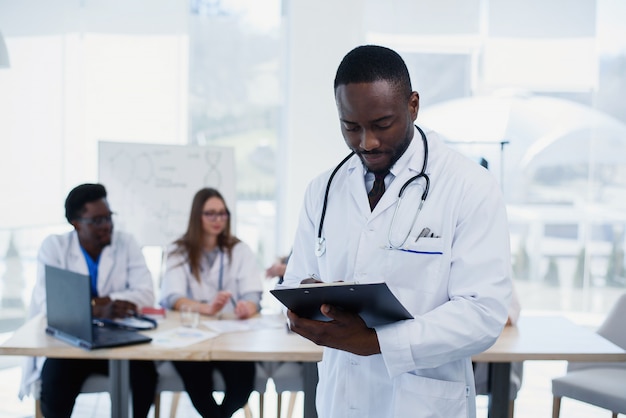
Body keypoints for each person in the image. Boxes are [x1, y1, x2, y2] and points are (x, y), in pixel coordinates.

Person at [280, 45, 513, 417]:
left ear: (413, 105)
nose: (366, 142)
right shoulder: (324, 190)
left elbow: (482, 314)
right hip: (341, 401)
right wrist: (310, 307)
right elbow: (297, 280)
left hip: (423, 403)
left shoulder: (469, 186)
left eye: (382, 124)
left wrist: (377, 341)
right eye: (351, 127)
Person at [19, 183, 157, 418]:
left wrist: (97, 304)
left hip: (121, 338)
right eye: (97, 221)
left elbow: (146, 294)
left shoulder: (126, 243)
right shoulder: (55, 247)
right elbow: (50, 303)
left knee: (145, 376)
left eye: (108, 218)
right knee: (54, 384)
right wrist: (101, 307)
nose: (107, 226)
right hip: (70, 343)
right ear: (76, 223)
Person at [159, 187, 263, 418]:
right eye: (210, 213)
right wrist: (204, 308)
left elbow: (254, 295)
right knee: (197, 382)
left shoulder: (239, 250)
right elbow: (172, 296)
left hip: (231, 336)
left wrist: (248, 307)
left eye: (222, 213)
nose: (218, 219)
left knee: (242, 386)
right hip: (191, 336)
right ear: (197, 216)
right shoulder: (178, 250)